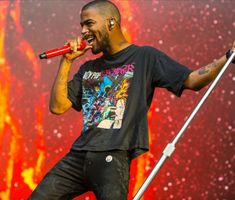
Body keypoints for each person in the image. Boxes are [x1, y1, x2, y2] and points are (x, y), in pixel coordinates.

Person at [29, 0, 235, 199]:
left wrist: (227, 56)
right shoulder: (88, 68)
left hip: (112, 157)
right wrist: (66, 62)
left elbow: (191, 80)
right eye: (82, 25)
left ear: (111, 22)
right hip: (77, 156)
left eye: (89, 23)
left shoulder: (144, 57)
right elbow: (58, 107)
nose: (83, 31)